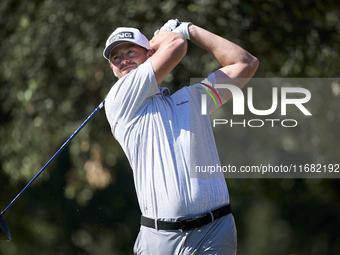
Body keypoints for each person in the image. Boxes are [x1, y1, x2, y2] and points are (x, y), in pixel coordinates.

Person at [103, 19, 258, 255]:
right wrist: (172, 35)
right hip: (160, 240)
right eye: (116, 58)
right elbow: (177, 45)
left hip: (213, 233)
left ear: (150, 53)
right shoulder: (119, 99)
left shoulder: (192, 99)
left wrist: (190, 30)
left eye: (131, 51)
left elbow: (245, 63)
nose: (123, 60)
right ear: (113, 69)